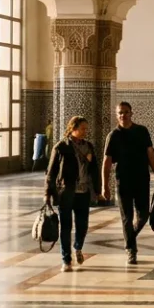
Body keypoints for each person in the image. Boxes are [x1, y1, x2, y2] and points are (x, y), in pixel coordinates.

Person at [102, 101, 154, 265]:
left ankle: (129, 238)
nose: (123, 115)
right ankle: (131, 250)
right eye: (120, 112)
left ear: (131, 113)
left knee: (143, 215)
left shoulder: (141, 131)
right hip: (123, 181)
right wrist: (104, 184)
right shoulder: (113, 136)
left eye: (126, 112)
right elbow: (106, 162)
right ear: (117, 115)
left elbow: (150, 155)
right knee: (126, 217)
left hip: (142, 179)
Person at [46, 116, 97, 271]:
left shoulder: (88, 146)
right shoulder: (61, 147)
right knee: (66, 226)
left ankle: (78, 247)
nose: (85, 131)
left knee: (83, 225)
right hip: (66, 193)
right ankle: (66, 259)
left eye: (86, 128)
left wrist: (99, 190)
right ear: (73, 128)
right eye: (82, 128)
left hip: (83, 192)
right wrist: (47, 193)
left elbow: (94, 169)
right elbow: (51, 172)